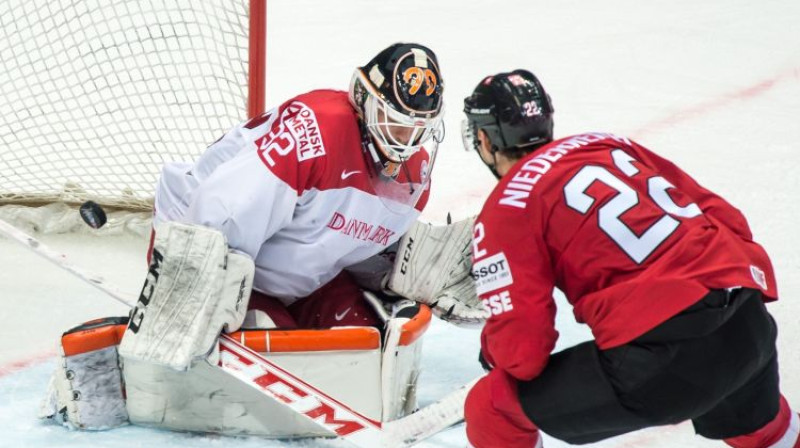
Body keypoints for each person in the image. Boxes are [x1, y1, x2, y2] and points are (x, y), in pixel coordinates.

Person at [461, 69, 798, 448]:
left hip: (668, 361)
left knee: (491, 407)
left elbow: (523, 352)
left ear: (484, 138)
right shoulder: (606, 143)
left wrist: (494, 350)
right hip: (748, 323)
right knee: (760, 428)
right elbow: (727, 218)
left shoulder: (508, 204)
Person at [151, 42, 444, 330]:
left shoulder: (413, 176)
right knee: (276, 354)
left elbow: (350, 245)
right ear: (362, 96)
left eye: (417, 130)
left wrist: (405, 272)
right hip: (201, 243)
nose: (404, 140)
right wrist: (189, 289)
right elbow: (219, 212)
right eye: (392, 121)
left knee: (362, 340)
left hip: (298, 278)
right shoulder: (316, 132)